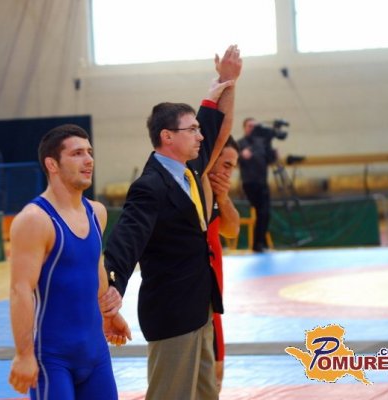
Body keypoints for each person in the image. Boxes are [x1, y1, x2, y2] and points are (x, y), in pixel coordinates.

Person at [102, 45, 242, 400]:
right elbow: (126, 240)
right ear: (168, 136)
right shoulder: (149, 187)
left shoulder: (190, 169)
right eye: (191, 130)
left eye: (197, 129)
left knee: (205, 394)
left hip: (200, 307)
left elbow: (219, 126)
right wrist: (113, 288)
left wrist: (227, 81)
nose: (199, 135)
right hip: (172, 312)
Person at [8, 124, 132, 399]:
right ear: (52, 164)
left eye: (89, 152)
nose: (89, 160)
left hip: (96, 354)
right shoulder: (35, 220)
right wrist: (24, 354)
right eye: (77, 153)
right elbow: (20, 290)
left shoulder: (96, 212)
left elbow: (95, 268)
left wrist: (109, 314)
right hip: (52, 360)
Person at [205, 136, 241, 392]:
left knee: (215, 377)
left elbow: (232, 230)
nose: (229, 173)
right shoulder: (192, 189)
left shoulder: (217, 195)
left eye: (232, 167)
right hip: (193, 299)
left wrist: (224, 198)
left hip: (213, 302)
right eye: (226, 165)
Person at [237, 117, 277, 252]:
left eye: (254, 126)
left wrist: (273, 153)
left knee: (265, 212)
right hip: (249, 182)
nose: (252, 128)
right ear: (244, 128)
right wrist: (241, 155)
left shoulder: (262, 143)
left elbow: (269, 159)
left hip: (262, 182)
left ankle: (260, 242)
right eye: (249, 126)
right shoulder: (240, 143)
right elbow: (232, 159)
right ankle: (258, 243)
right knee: (262, 211)